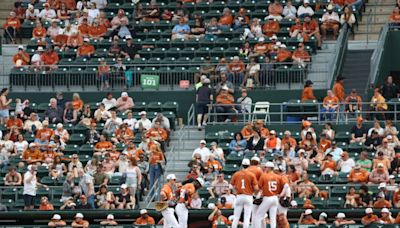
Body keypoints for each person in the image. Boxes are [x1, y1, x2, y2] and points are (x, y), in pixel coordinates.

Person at [254, 162, 286, 228]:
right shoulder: (278, 176)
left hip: (267, 197)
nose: (265, 168)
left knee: (258, 216)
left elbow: (258, 188)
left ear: (269, 168)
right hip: (275, 198)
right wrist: (281, 194)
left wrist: (257, 195)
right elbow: (286, 186)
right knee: (273, 217)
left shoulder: (264, 176)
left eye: (266, 167)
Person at [230, 159, 258, 228]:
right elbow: (256, 188)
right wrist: (254, 193)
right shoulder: (251, 174)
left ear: (242, 165)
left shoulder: (236, 174)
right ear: (249, 165)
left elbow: (230, 186)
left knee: (236, 216)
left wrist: (235, 192)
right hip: (248, 196)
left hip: (239, 196)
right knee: (247, 217)